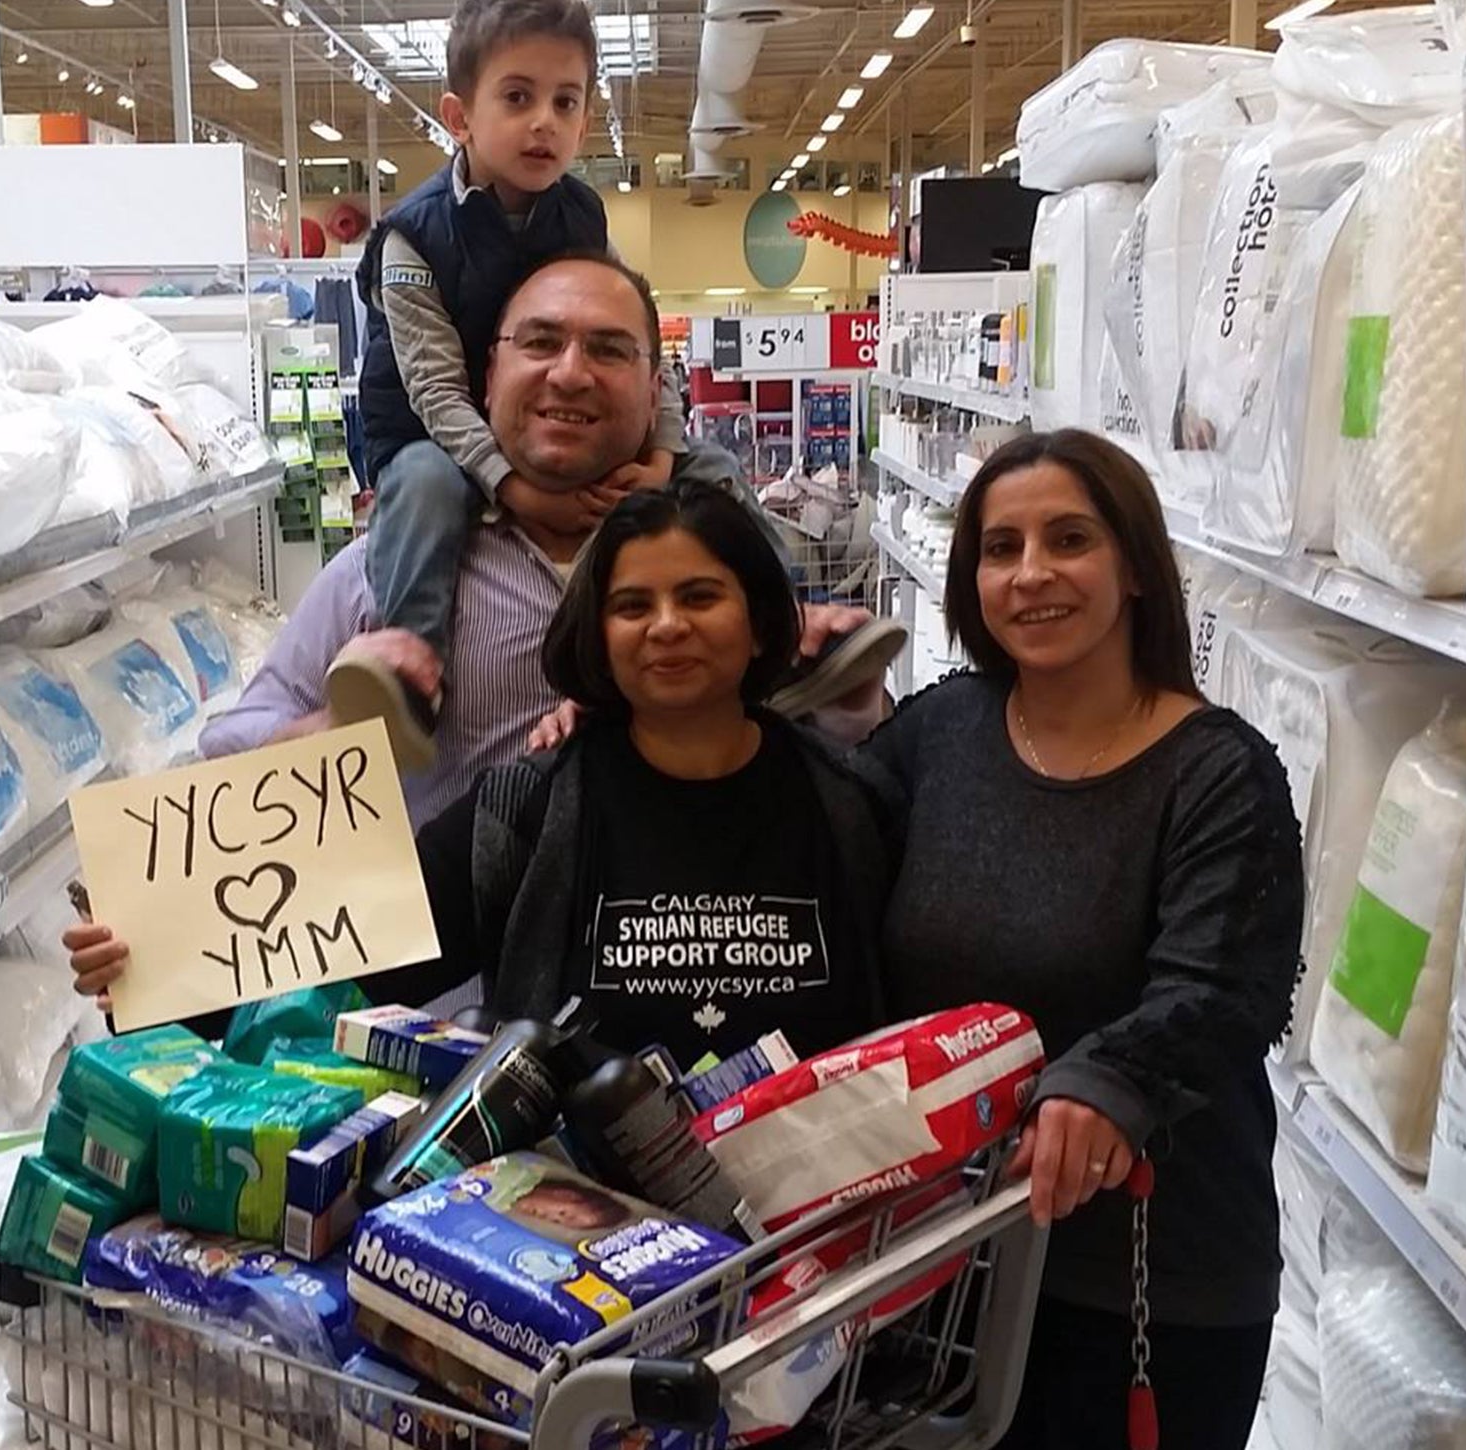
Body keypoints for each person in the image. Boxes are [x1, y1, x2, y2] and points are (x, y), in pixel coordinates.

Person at [71, 479, 895, 1069]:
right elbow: (351, 955)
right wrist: (157, 965)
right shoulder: (526, 808)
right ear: (596, 636)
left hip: (813, 1253)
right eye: (632, 606)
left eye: (701, 596)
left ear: (760, 625)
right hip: (575, 1261)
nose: (667, 627)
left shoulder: (849, 803)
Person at [862, 430, 1304, 1450]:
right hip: (946, 1261)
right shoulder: (940, 733)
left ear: (1135, 566)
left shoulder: (1217, 773)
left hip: (1148, 1282)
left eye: (1068, 539)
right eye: (999, 547)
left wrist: (1105, 1077)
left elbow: (1223, 989)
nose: (1030, 575)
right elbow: (820, 856)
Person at [199, 252, 886, 825]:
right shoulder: (390, 567)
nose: (569, 372)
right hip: (447, 980)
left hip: (678, 963)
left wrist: (848, 706)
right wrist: (339, 737)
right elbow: (225, 771)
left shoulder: (718, 570)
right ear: (489, 377)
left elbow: (834, 772)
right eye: (539, 342)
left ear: (656, 393)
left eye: (609, 349)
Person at [342, 0, 688, 768]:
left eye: (565, 102)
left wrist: (664, 450)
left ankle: (790, 624)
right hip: (431, 433)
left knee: (711, 473)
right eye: (518, 97)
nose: (543, 123)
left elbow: (628, 326)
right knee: (431, 491)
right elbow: (432, 390)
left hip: (537, 423)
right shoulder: (413, 235)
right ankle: (408, 672)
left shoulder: (582, 213)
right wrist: (510, 486)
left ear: (587, 119)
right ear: (459, 116)